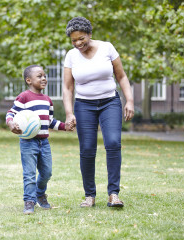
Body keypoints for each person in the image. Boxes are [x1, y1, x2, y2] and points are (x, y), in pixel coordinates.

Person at [62, 17, 134, 208]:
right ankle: (89, 196)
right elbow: (68, 88)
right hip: (84, 105)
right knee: (87, 149)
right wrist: (69, 113)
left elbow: (122, 76)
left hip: (110, 102)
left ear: (90, 34)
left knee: (112, 143)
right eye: (74, 41)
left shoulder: (107, 48)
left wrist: (130, 101)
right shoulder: (71, 56)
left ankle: (113, 194)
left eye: (81, 39)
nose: (78, 43)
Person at [6, 65, 68, 214]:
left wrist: (66, 126)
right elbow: (11, 113)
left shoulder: (47, 100)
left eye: (44, 76)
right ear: (29, 80)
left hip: (44, 142)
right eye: (39, 76)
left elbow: (50, 121)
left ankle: (39, 194)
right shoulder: (24, 97)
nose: (44, 78)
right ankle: (29, 201)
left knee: (47, 173)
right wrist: (11, 124)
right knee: (29, 174)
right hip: (28, 142)